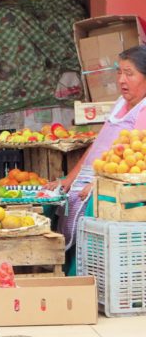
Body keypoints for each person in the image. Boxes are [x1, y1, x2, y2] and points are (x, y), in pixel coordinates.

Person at [46, 45, 146, 274]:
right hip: (96, 175)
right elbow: (98, 145)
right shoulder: (121, 103)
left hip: (121, 183)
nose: (121, 80)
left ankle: (80, 275)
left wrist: (98, 184)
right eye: (119, 72)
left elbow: (134, 159)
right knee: (51, 198)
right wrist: (69, 178)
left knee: (87, 208)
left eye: (129, 73)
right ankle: (51, 265)